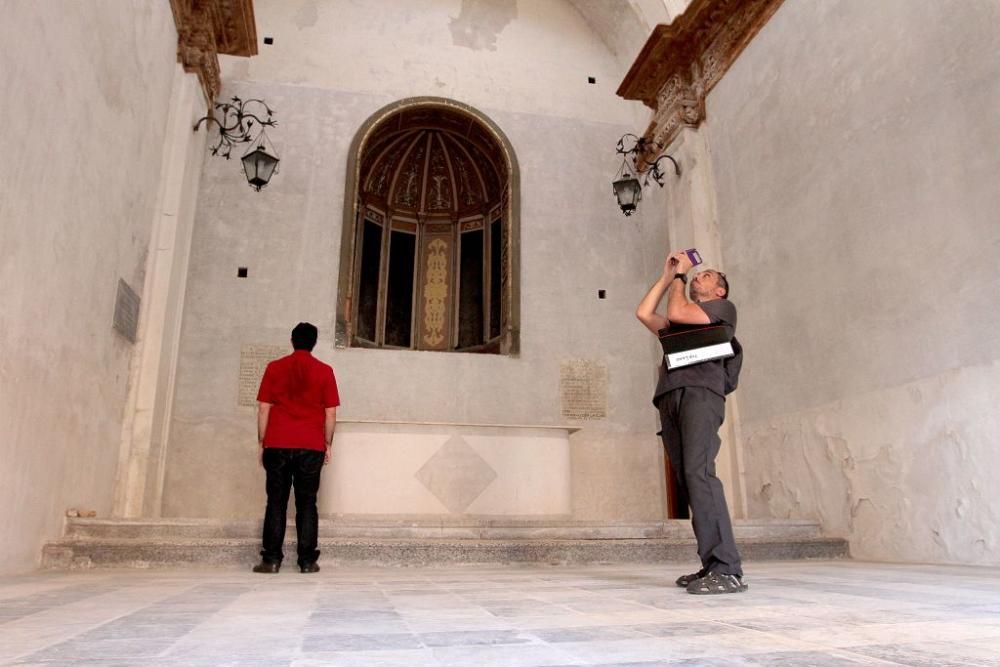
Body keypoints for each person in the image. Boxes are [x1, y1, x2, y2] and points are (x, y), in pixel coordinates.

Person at [636, 251, 746, 594]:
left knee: (700, 473)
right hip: (672, 395)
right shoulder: (680, 322)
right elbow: (644, 313)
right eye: (699, 273)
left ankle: (726, 569)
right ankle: (711, 563)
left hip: (701, 393)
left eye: (708, 275)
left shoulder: (723, 311)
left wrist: (683, 275)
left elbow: (676, 309)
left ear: (720, 292)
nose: (701, 275)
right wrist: (668, 277)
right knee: (689, 479)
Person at [252, 322, 340, 574]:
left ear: (292, 340)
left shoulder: (274, 368)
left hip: (277, 443)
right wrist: (327, 444)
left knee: (276, 502)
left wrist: (261, 441)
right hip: (311, 446)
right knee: (308, 503)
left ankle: (270, 560)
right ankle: (307, 562)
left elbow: (263, 408)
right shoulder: (324, 371)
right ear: (314, 343)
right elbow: (330, 413)